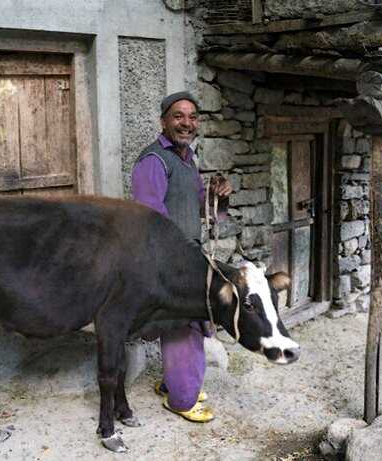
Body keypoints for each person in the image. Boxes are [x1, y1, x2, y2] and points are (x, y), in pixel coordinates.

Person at [130, 91, 233, 423]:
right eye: (178, 116)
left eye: (192, 117)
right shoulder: (153, 160)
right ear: (164, 121)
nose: (186, 122)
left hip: (187, 255)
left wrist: (217, 194)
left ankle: (174, 384)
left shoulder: (188, 159)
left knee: (180, 326)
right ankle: (182, 399)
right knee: (184, 325)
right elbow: (151, 219)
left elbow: (200, 206)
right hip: (168, 259)